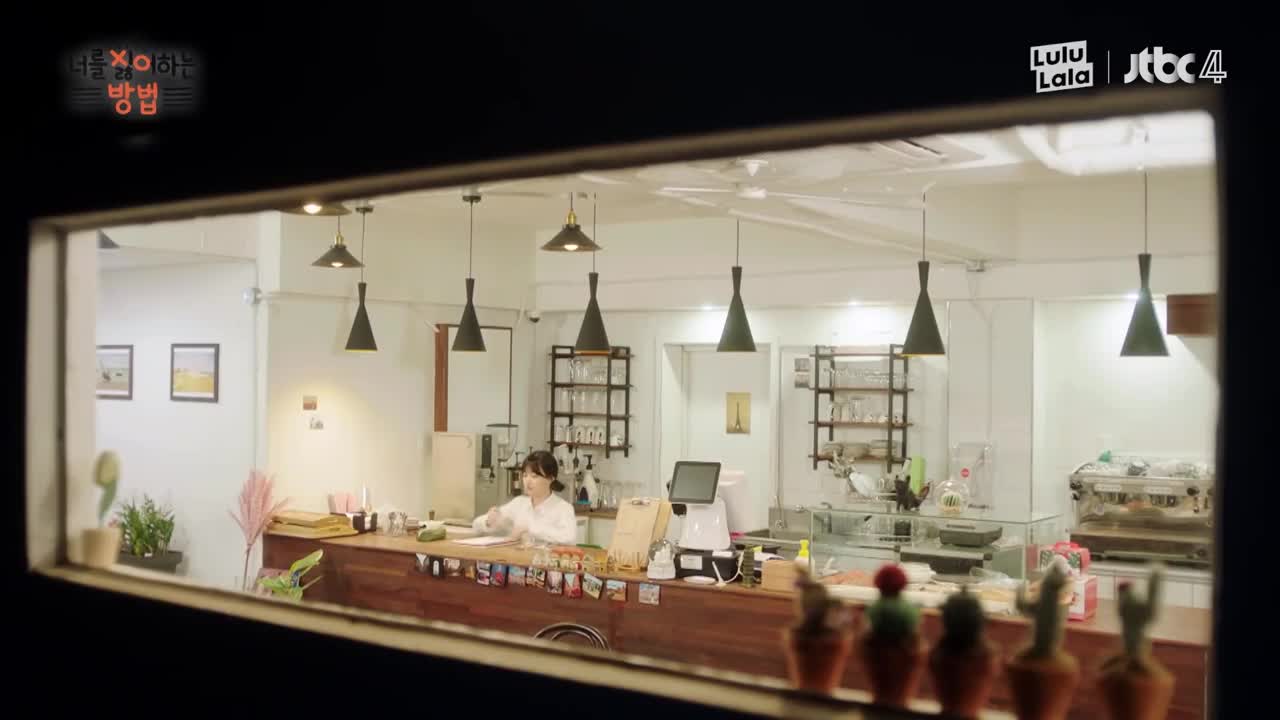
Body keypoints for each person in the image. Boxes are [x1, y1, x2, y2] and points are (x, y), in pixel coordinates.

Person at [472, 450, 577, 545]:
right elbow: (476, 525)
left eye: (534, 476)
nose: (528, 481)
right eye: (525, 475)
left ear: (551, 478)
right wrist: (489, 521)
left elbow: (569, 538)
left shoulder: (563, 508)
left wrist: (529, 528)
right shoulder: (519, 503)